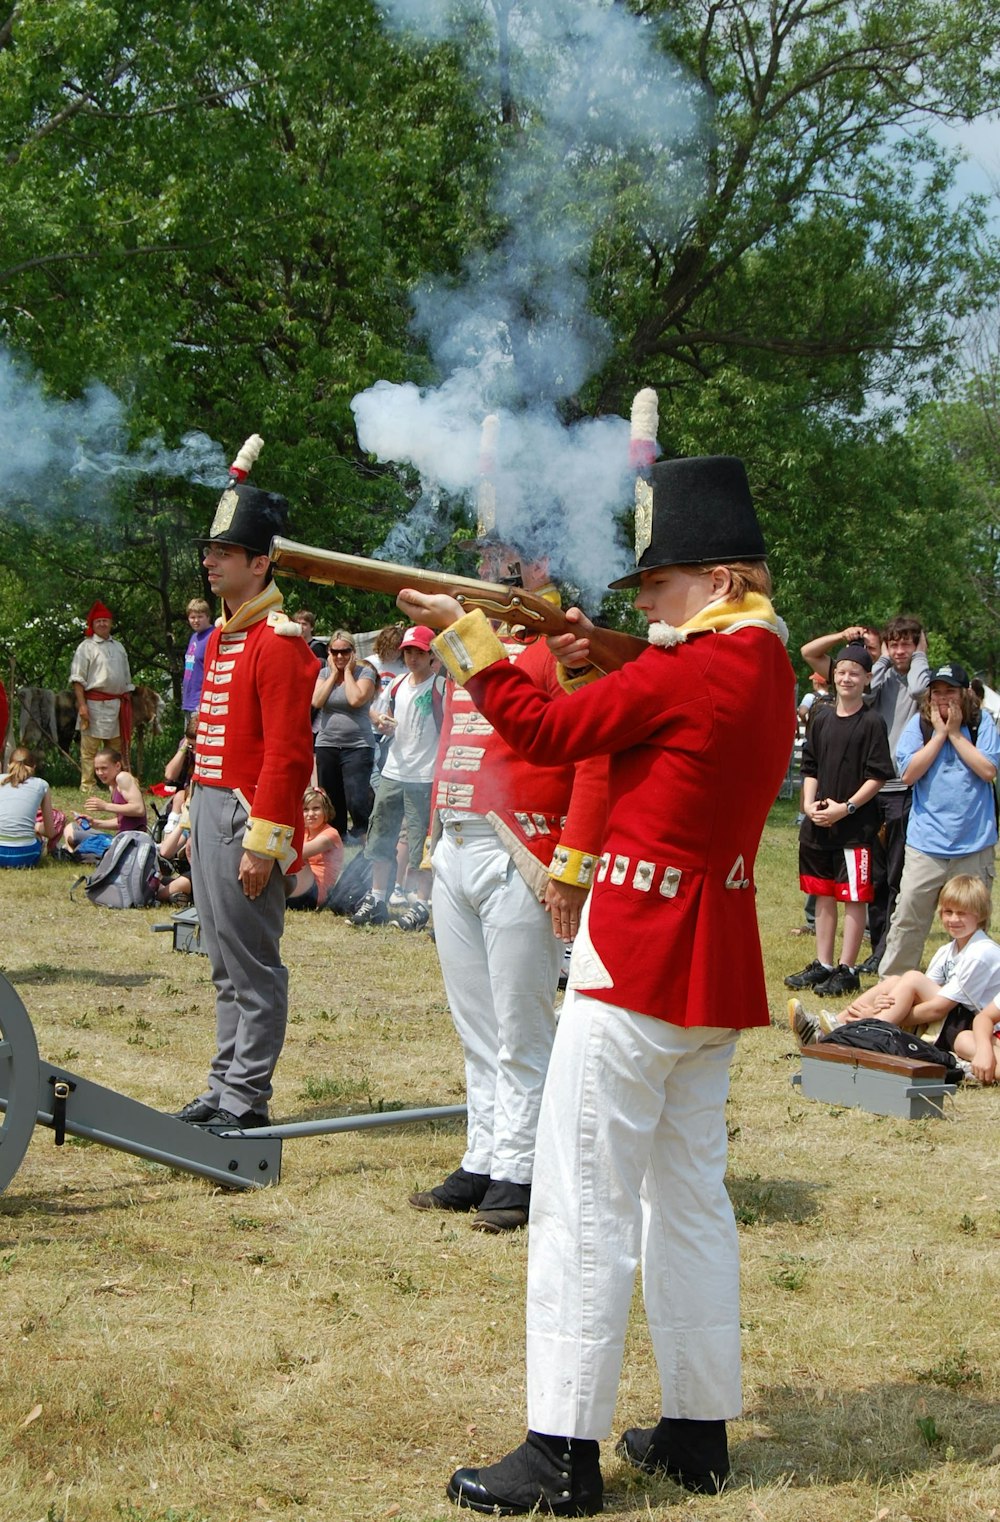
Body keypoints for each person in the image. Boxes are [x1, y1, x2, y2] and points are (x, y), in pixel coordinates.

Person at [398, 454, 796, 1512]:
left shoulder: (683, 667)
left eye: (660, 587)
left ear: (715, 581)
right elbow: (660, 683)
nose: (648, 607)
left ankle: (560, 1449)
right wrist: (593, 648)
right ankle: (697, 1429)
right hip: (708, 959)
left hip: (634, 959)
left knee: (580, 1203)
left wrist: (464, 633)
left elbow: (537, 732)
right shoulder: (761, 660)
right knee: (689, 1202)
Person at [406, 534, 607, 1236]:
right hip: (457, 842)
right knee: (475, 1026)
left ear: (542, 568)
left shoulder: (563, 648)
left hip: (523, 846)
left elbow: (592, 761)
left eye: (504, 561)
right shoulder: (477, 636)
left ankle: (521, 1170)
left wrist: (571, 867)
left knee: (521, 1027)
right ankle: (484, 1155)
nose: (488, 570)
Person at [169, 475, 316, 1132]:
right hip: (210, 806)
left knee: (252, 965)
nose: (210, 560)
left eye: (224, 551)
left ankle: (246, 1099)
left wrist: (266, 841)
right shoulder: (228, 634)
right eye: (210, 549)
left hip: (244, 816)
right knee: (223, 960)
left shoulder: (277, 641)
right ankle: (224, 1082)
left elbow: (288, 756)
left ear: (260, 562)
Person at [785, 645, 894, 998]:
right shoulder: (821, 717)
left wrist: (845, 808)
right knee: (822, 894)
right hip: (818, 825)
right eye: (841, 671)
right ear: (833, 676)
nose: (846, 678)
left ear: (867, 679)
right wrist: (808, 804)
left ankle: (848, 968)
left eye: (854, 673)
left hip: (854, 828)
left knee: (853, 898)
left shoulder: (873, 722)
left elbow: (877, 776)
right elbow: (810, 767)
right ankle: (824, 964)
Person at [878, 662, 999, 976]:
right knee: (908, 920)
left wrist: (956, 734)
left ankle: (967, 993)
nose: (943, 699)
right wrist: (939, 735)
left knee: (971, 925)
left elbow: (988, 771)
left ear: (964, 695)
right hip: (926, 844)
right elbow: (908, 775)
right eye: (937, 692)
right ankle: (892, 990)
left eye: (951, 692)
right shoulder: (919, 725)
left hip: (974, 845)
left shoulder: (980, 722)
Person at [790, 874, 1000, 1053]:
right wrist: (889, 1001)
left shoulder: (980, 952)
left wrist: (882, 1015)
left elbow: (937, 1008)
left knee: (912, 978)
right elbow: (921, 994)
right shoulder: (948, 950)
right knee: (897, 981)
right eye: (948, 912)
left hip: (974, 1028)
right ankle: (832, 1025)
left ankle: (867, 1028)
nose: (953, 919)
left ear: (980, 914)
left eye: (961, 913)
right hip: (952, 1019)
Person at [353, 624, 444, 931]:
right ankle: (377, 898)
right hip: (393, 769)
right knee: (381, 835)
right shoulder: (397, 685)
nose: (412, 658)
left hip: (424, 775)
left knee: (420, 843)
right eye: (408, 651)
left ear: (431, 654)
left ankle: (420, 903)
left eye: (419, 652)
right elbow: (384, 719)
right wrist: (382, 724)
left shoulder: (440, 686)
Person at [864, 614, 931, 971]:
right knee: (874, 875)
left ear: (918, 644)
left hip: (905, 789)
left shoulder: (922, 677)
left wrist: (919, 656)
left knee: (896, 875)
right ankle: (876, 948)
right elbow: (865, 690)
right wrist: (884, 658)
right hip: (875, 786)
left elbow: (922, 691)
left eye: (908, 643)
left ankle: (888, 951)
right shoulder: (884, 675)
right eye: (895, 643)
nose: (901, 650)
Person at [312, 631, 378, 841]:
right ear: (330, 652)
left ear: (353, 652)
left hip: (358, 745)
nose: (340, 657)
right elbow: (317, 701)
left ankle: (362, 833)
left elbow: (356, 699)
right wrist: (332, 675)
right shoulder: (324, 674)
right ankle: (337, 837)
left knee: (356, 798)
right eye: (335, 652)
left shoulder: (365, 674)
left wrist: (348, 673)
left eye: (345, 652)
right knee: (331, 798)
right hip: (327, 744)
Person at [69, 600, 135, 790]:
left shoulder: (119, 647)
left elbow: (126, 679)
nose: (103, 624)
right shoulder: (86, 647)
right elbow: (77, 679)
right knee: (89, 748)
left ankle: (116, 784)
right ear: (92, 624)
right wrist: (82, 706)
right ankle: (88, 784)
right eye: (98, 621)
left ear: (111, 623)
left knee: (116, 749)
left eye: (106, 621)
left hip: (116, 705)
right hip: (94, 705)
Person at [63, 746, 148, 850]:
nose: (99, 773)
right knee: (71, 828)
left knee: (72, 832)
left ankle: (73, 853)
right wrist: (94, 822)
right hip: (122, 840)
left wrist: (105, 806)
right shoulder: (113, 786)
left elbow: (139, 809)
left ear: (117, 765)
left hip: (132, 843)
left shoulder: (123, 778)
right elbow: (122, 822)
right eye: (97, 769)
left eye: (104, 768)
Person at [286, 787, 344, 909]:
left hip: (316, 893)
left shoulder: (330, 834)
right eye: (305, 809)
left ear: (325, 810)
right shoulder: (304, 832)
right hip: (301, 884)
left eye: (316, 808)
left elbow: (295, 854)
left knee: (293, 855)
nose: (310, 814)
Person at [0, 748, 57, 867]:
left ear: (9, 764)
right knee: (40, 835)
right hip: (25, 855)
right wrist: (37, 827)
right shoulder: (41, 785)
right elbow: (51, 832)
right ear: (34, 766)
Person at [181, 598, 214, 719]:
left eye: (200, 617)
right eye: (192, 617)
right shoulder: (194, 637)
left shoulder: (212, 636)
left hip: (201, 702)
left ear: (208, 617)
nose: (196, 621)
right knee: (188, 738)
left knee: (197, 738)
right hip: (188, 701)